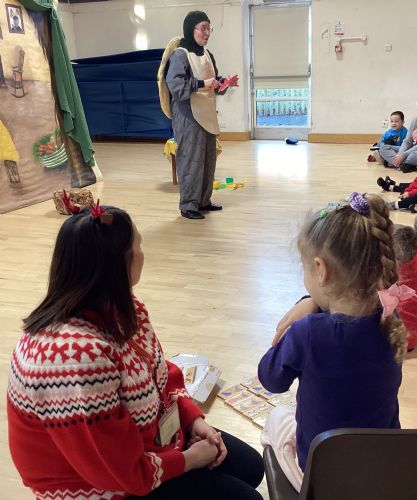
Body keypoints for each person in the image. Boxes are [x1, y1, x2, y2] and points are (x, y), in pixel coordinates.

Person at [7, 204, 264, 500]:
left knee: (251, 467)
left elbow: (160, 374)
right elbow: (119, 470)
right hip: (101, 487)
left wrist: (193, 419)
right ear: (119, 262)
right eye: (138, 245)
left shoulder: (124, 308)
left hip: (145, 444)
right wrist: (189, 459)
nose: (143, 253)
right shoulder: (75, 359)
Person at [258, 193, 404, 492]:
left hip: (323, 474)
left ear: (320, 269)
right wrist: (313, 302)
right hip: (383, 464)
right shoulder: (390, 319)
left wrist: (304, 309)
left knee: (276, 417)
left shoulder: (308, 333)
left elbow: (270, 379)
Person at [163, 11, 237, 220]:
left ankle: (203, 200)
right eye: (203, 28)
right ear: (191, 29)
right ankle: (188, 205)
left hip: (207, 115)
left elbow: (212, 81)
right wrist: (204, 84)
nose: (207, 33)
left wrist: (223, 84)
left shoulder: (207, 54)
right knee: (191, 161)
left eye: (209, 28)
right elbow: (176, 86)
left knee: (207, 160)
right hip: (188, 117)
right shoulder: (180, 55)